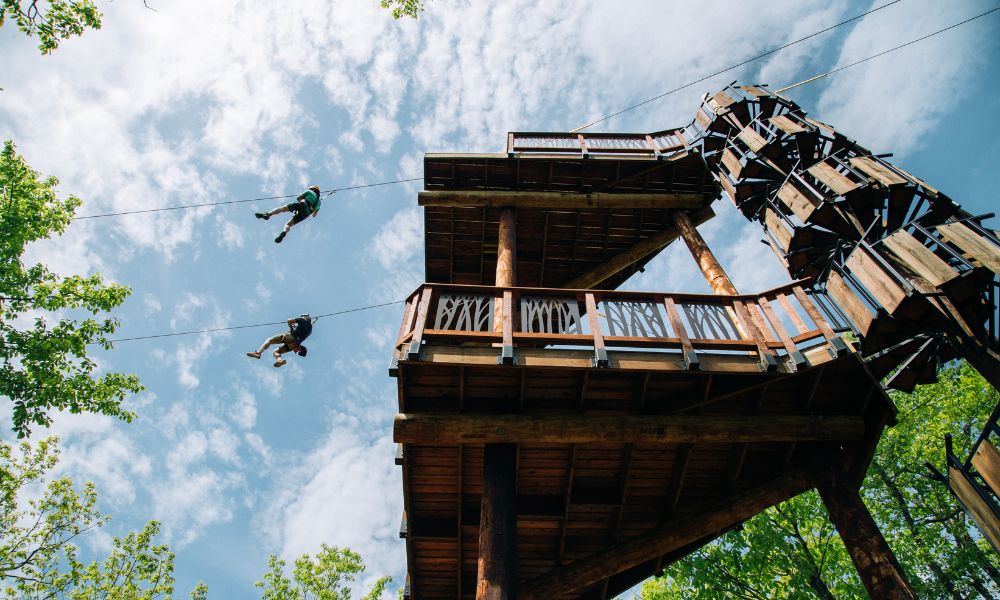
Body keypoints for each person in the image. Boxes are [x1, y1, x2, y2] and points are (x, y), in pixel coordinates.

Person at [255, 185, 326, 243]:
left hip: (303, 203)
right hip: (306, 214)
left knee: (282, 209)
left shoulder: (309, 191)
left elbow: (298, 198)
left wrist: (297, 207)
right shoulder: (319, 203)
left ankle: (268, 214)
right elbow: (314, 215)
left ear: (312, 189)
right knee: (288, 224)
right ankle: (284, 232)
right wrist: (314, 207)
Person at [246, 314, 315, 367]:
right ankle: (280, 360)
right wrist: (295, 328)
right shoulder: (310, 330)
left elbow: (289, 321)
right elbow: (302, 332)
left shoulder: (302, 320)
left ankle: (258, 353)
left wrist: (291, 328)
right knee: (276, 352)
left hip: (291, 336)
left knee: (270, 340)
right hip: (295, 344)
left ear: (304, 317)